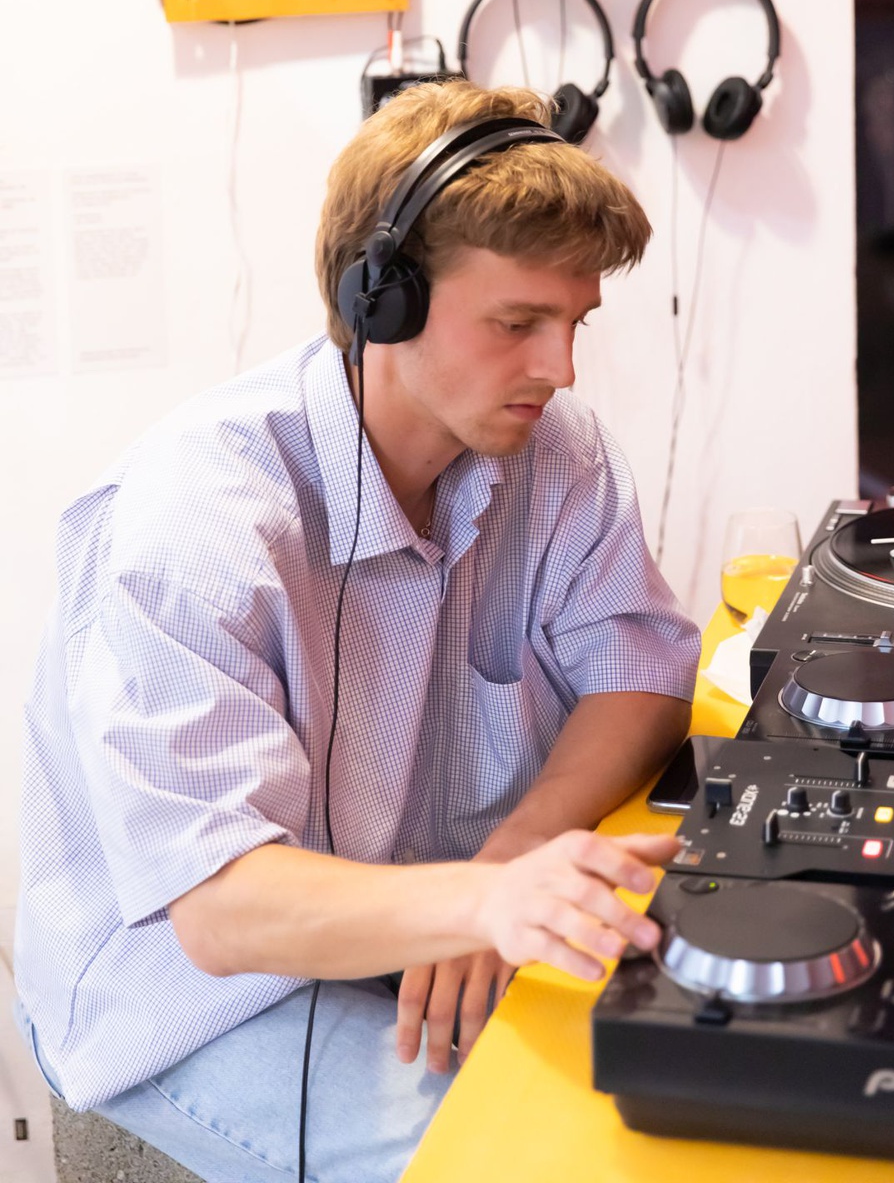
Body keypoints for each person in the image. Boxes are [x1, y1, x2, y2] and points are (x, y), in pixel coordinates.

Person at [15, 80, 700, 1183]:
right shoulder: (193, 525)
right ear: (382, 301)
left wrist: (511, 860)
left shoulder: (555, 448)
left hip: (436, 905)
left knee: (678, 1098)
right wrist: (478, 900)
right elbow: (222, 908)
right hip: (192, 999)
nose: (560, 368)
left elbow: (640, 671)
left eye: (574, 324)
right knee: (529, 1157)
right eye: (516, 324)